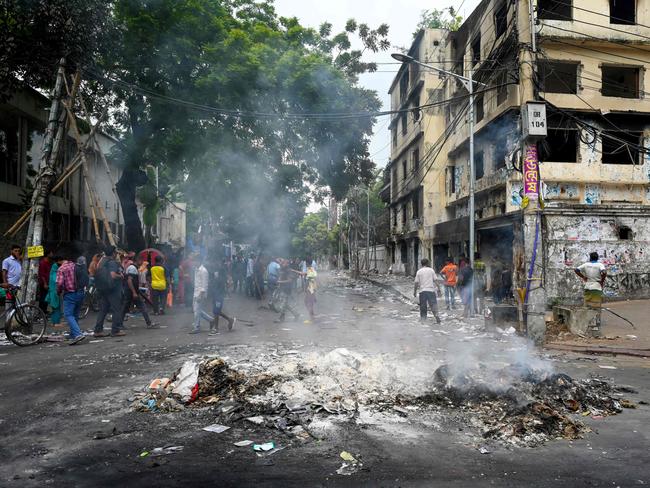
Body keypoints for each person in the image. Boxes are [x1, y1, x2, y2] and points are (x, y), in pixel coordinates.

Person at [94, 245, 126, 337]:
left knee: (103, 310)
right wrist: (121, 276)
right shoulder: (112, 263)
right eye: (116, 252)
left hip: (104, 289)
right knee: (117, 310)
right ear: (113, 253)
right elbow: (112, 275)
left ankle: (97, 330)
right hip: (113, 290)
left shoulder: (102, 261)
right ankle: (115, 330)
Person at [56, 255, 87, 345]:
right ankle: (73, 334)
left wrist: (58, 291)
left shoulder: (61, 269)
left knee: (68, 314)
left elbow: (60, 283)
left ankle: (78, 334)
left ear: (59, 261)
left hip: (70, 294)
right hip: (80, 292)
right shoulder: (75, 265)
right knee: (75, 314)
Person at [123, 258, 157, 329]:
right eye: (141, 260)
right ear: (137, 260)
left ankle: (149, 323)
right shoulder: (132, 268)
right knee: (126, 308)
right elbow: (129, 281)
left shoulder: (133, 268)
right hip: (131, 292)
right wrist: (134, 292)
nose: (141, 262)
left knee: (140, 306)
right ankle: (118, 324)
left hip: (132, 291)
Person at [208, 259, 236, 334]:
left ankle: (216, 328)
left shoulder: (221, 272)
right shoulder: (217, 271)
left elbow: (222, 284)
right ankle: (230, 320)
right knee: (216, 311)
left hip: (219, 295)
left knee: (216, 311)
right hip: (215, 294)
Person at [414, 258, 442, 324]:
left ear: (421, 264)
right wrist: (439, 289)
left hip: (422, 291)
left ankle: (423, 320)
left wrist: (414, 291)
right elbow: (436, 280)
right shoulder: (431, 270)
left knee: (423, 306)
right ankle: (437, 317)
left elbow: (416, 283)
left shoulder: (419, 271)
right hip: (431, 290)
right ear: (427, 263)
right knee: (433, 305)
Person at [190, 259, 211, 334]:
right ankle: (211, 320)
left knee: (196, 311)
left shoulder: (203, 271)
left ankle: (196, 327)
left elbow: (204, 285)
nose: (193, 262)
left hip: (200, 294)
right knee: (197, 311)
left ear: (198, 261)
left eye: (194, 261)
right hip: (196, 293)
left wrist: (200, 295)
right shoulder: (196, 269)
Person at [45, 256, 64, 326]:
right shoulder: (55, 271)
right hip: (54, 291)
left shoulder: (54, 269)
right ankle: (56, 323)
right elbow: (56, 281)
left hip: (53, 291)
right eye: (61, 261)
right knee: (56, 307)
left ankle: (55, 322)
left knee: (55, 307)